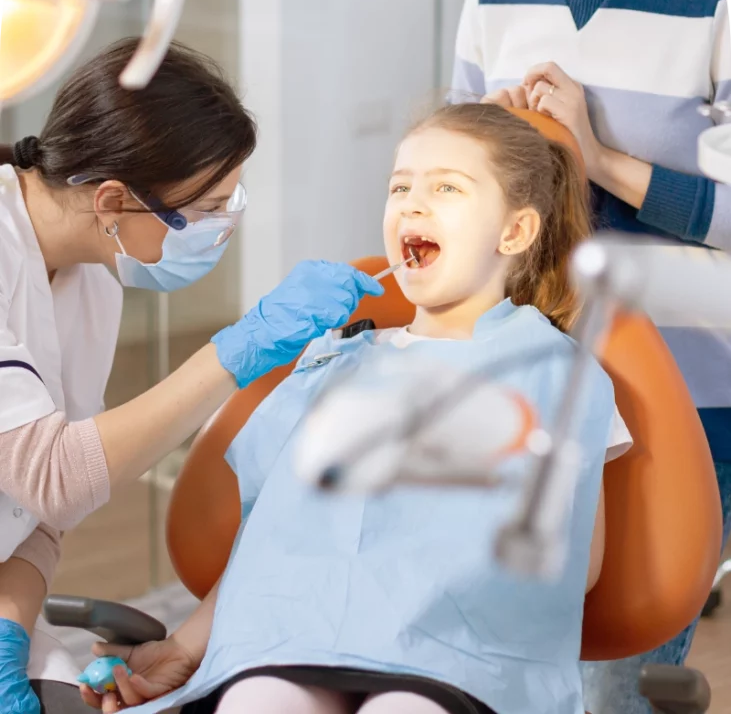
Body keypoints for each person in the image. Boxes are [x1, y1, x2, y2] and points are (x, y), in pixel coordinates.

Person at [80, 103, 632, 714]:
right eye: (401, 187)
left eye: (447, 187)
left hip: (462, 656)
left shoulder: (557, 372)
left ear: (515, 232)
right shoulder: (334, 360)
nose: (412, 205)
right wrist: (184, 647)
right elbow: (274, 538)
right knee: (260, 703)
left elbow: (576, 563)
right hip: (293, 638)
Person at [449, 0, 730, 714]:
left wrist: (596, 155)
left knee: (611, 675)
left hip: (684, 396)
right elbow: (459, 192)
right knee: (501, 667)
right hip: (526, 381)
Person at [0, 38, 384, 714]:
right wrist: (236, 350)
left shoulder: (94, 280)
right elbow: (53, 477)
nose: (220, 229)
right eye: (207, 210)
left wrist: (9, 628)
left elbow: (33, 517)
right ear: (113, 201)